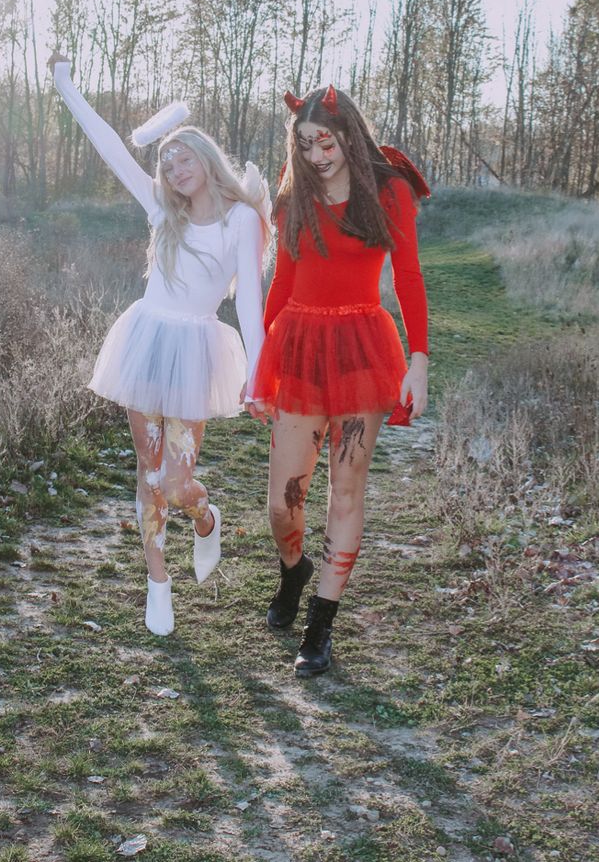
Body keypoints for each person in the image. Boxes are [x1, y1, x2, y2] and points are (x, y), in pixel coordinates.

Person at [48, 54, 269, 637]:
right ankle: (157, 581)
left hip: (196, 352)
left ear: (205, 157)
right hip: (146, 343)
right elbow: (109, 147)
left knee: (175, 481)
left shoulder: (241, 221)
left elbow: (249, 304)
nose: (172, 168)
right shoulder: (160, 214)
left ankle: (204, 515)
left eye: (182, 156)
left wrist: (259, 372)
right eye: (166, 162)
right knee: (148, 475)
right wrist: (65, 83)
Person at [251, 83, 429, 677]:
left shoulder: (389, 191)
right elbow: (281, 282)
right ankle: (293, 571)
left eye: (324, 142)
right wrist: (262, 366)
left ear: (349, 134)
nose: (316, 155)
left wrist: (420, 359)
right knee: (283, 505)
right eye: (304, 145)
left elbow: (407, 277)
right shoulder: (291, 197)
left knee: (345, 491)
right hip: (299, 348)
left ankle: (320, 627)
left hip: (361, 349)